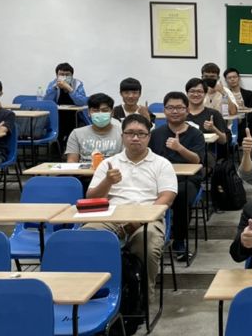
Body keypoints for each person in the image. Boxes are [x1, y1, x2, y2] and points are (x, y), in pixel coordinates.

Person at [83, 114, 177, 299]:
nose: (135, 138)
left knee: (147, 244)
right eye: (130, 133)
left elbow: (167, 197)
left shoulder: (161, 164)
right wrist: (108, 181)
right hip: (111, 216)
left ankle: (143, 298)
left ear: (149, 137)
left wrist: (139, 220)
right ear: (122, 136)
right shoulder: (109, 163)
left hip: (148, 219)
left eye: (141, 134)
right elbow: (91, 198)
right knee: (87, 235)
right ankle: (95, 293)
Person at [148, 90, 205, 260]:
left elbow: (197, 160)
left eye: (179, 108)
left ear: (187, 110)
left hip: (187, 179)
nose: (174, 111)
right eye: (170, 108)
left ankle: (179, 240)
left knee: (181, 195)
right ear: (164, 111)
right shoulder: (156, 134)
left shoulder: (196, 134)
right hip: (158, 180)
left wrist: (180, 148)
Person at [65, 93, 122, 163]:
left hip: (113, 169)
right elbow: (71, 161)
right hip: (86, 170)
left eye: (105, 110)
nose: (100, 113)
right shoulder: (76, 134)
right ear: (89, 112)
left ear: (112, 112)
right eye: (96, 110)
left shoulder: (122, 133)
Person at [185, 77, 228, 169]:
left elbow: (223, 140)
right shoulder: (181, 114)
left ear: (205, 94)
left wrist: (213, 129)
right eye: (192, 91)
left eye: (199, 91)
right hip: (182, 151)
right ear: (187, 93)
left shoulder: (213, 114)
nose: (196, 94)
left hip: (205, 154)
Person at [45, 62, 88, 146]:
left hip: (75, 115)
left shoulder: (78, 84)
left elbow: (82, 102)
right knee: (57, 122)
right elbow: (47, 101)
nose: (64, 77)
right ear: (57, 76)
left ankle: (68, 144)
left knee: (72, 123)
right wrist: (54, 88)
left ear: (72, 76)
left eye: (67, 75)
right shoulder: (53, 84)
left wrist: (69, 89)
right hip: (57, 114)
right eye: (61, 74)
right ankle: (58, 146)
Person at [223, 67, 252, 141]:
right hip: (228, 126)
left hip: (244, 126)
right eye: (229, 78)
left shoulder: (249, 94)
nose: (232, 79)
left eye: (234, 77)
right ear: (226, 80)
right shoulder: (224, 95)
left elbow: (251, 115)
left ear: (239, 78)